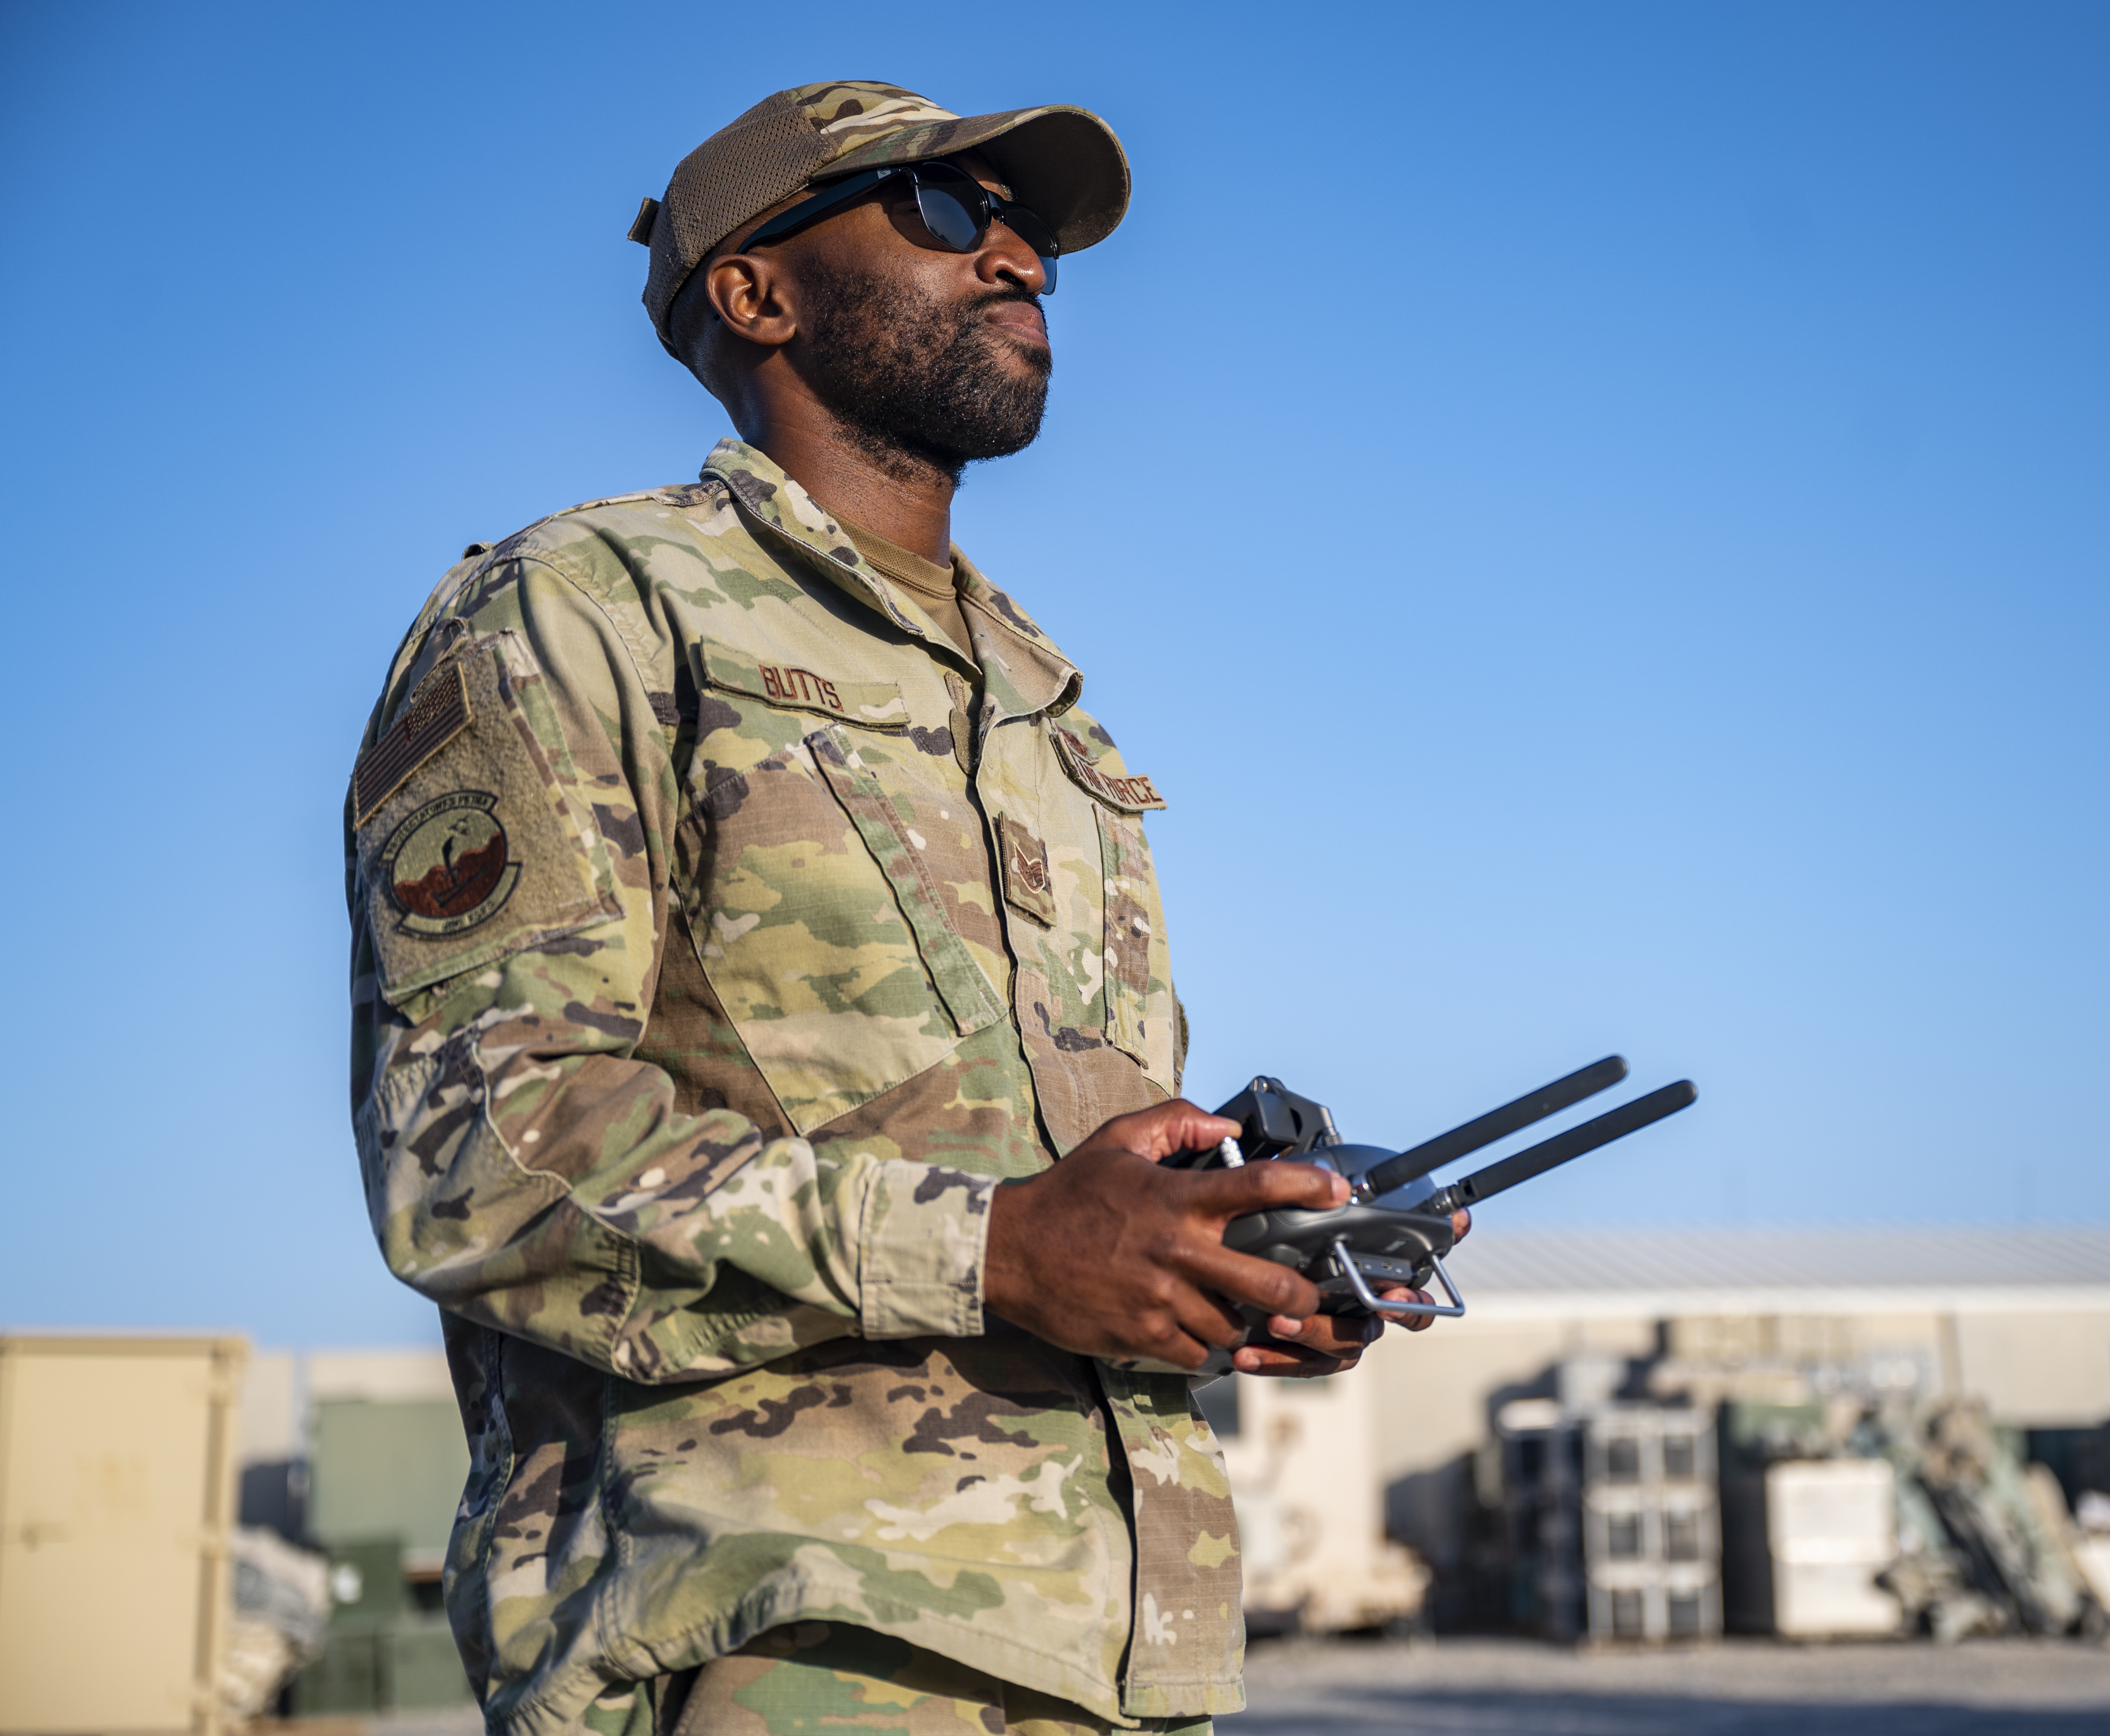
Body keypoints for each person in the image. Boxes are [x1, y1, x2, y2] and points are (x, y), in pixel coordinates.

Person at [343, 82, 1447, 1736]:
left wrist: (1228, 1265)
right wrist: (997, 1250)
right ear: (755, 291)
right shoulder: (584, 614)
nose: (1017, 259)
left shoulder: (1055, 718)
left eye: (1031, 234)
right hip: (784, 1643)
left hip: (1115, 1656)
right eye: (946, 211)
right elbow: (481, 1152)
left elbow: (1062, 1188)